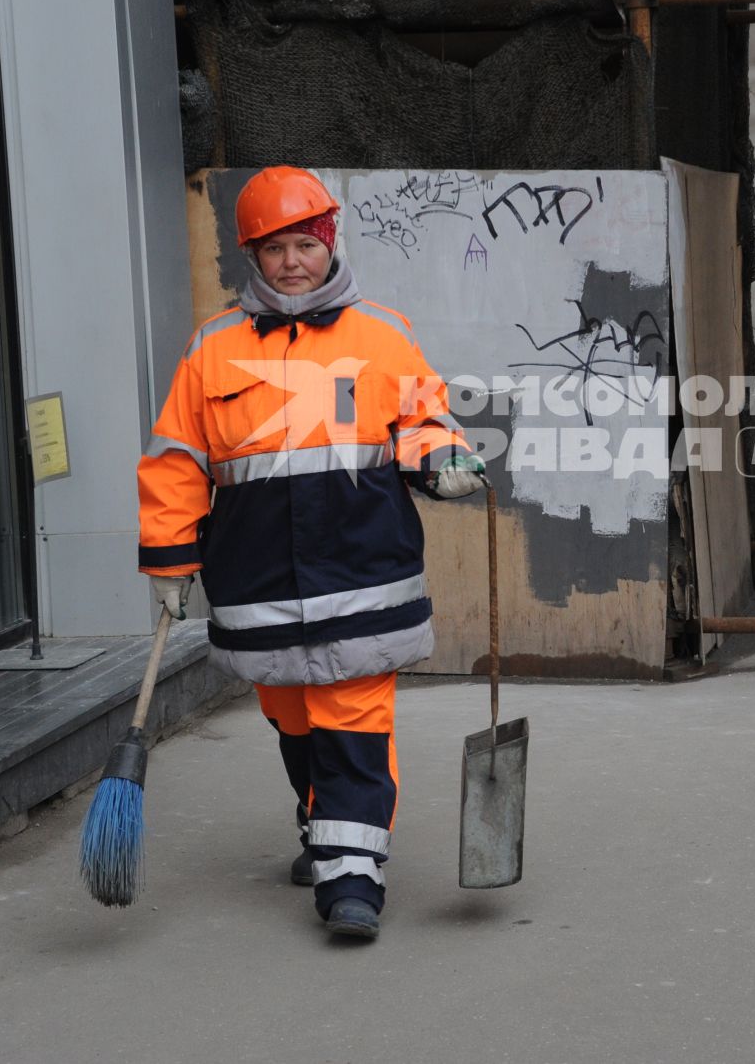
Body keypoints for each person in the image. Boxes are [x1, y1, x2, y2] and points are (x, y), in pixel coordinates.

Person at [137, 165, 485, 940]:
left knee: (353, 714)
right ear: (251, 256)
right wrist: (168, 562)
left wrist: (445, 458)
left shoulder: (382, 333)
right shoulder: (212, 350)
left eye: (306, 243)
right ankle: (322, 815)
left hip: (363, 571)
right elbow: (176, 459)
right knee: (293, 714)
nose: (293, 261)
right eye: (275, 248)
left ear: (328, 242)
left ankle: (352, 880)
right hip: (258, 579)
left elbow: (423, 416)